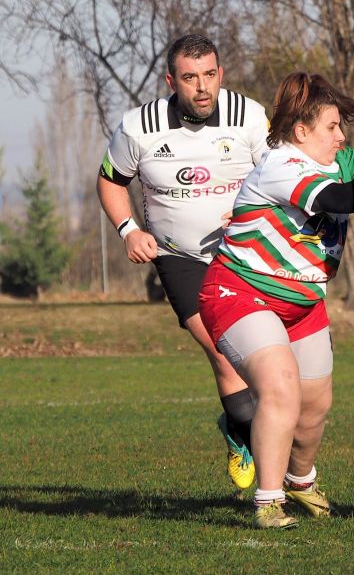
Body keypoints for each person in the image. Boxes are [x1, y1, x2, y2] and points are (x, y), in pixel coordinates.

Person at [198, 71, 354, 529]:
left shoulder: (334, 159)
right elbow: (340, 198)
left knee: (314, 408)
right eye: (332, 127)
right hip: (241, 291)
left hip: (302, 302)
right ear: (301, 132)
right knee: (281, 390)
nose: (342, 137)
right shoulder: (282, 164)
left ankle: (300, 482)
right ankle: (267, 501)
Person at [97, 34, 266, 492]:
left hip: (244, 254)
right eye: (190, 78)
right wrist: (129, 230)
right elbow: (110, 181)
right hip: (180, 257)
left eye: (210, 75)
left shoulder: (250, 117)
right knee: (224, 352)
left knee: (265, 363)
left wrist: (256, 212)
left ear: (221, 75)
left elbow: (277, 176)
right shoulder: (140, 126)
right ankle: (274, 467)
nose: (202, 87)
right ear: (172, 80)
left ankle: (240, 430)